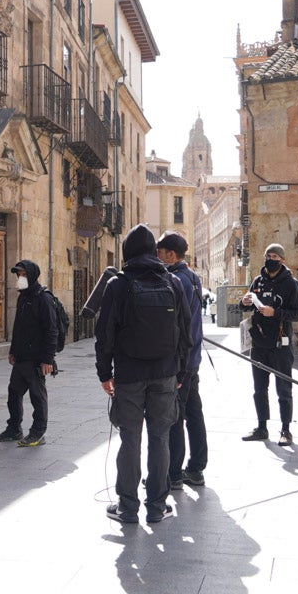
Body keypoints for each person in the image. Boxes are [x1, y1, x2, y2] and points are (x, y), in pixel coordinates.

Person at [96, 224, 191, 524]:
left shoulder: (118, 285)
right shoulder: (173, 282)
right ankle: (156, 506)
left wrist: (104, 373)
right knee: (160, 438)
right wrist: (181, 372)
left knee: (130, 439)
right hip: (165, 373)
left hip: (129, 375)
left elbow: (104, 335)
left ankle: (127, 507)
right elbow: (186, 333)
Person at [240, 243, 298, 447]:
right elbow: (242, 307)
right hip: (259, 342)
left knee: (283, 388)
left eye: (275, 256)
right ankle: (261, 427)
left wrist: (276, 313)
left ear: (282, 260)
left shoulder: (291, 284)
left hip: (281, 343)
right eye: (268, 255)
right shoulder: (258, 281)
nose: (271, 258)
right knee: (259, 388)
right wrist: (244, 302)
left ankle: (286, 429)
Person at [156, 232, 208, 488]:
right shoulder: (192, 277)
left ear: (171, 255)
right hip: (193, 357)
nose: (158, 258)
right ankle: (196, 469)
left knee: (175, 416)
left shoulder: (176, 279)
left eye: (160, 253)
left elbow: (176, 324)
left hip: (182, 361)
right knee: (193, 414)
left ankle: (174, 473)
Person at [0, 259, 58, 447]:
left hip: (36, 358)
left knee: (38, 397)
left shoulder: (43, 298)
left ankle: (38, 433)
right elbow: (19, 327)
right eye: (18, 275)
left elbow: (51, 330)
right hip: (21, 357)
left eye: (23, 274)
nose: (20, 278)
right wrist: (13, 351)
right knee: (14, 393)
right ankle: (14, 429)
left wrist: (48, 360)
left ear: (32, 275)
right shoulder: (23, 297)